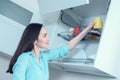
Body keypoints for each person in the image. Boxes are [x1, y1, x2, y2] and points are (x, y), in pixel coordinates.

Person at [7, 22, 95, 80]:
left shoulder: (44, 56)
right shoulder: (24, 58)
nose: (48, 38)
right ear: (34, 40)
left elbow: (67, 47)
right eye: (44, 36)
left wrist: (86, 30)